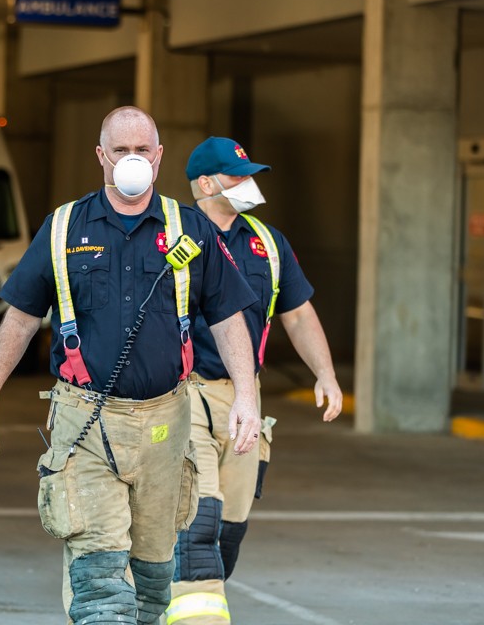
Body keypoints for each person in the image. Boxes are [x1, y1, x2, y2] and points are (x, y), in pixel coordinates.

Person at [0, 107, 262, 625]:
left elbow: (229, 315)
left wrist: (246, 396)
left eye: (141, 150)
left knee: (152, 580)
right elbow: (17, 322)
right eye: (120, 150)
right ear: (101, 156)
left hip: (166, 426)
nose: (131, 160)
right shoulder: (63, 229)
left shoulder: (189, 229)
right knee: (101, 580)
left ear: (159, 156)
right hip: (86, 423)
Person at [167, 137, 344, 624]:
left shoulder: (267, 242)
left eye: (250, 175)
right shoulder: (169, 236)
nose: (249, 184)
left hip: (244, 398)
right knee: (196, 515)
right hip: (181, 395)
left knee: (229, 528)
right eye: (238, 176)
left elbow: (298, 313)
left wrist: (324, 373)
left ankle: (170, 607)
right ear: (206, 183)